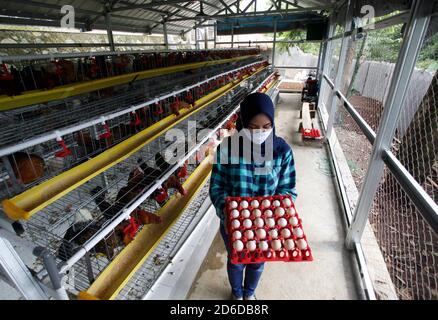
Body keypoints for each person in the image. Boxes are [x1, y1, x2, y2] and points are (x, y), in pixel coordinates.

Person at [209, 92, 297, 300]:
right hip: (233, 223)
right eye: (253, 127)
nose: (260, 132)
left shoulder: (281, 151)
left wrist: (276, 211)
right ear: (242, 123)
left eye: (266, 127)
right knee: (236, 259)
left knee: (258, 260)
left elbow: (288, 189)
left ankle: (249, 294)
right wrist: (228, 211)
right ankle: (237, 293)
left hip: (266, 223)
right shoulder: (227, 150)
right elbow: (217, 187)